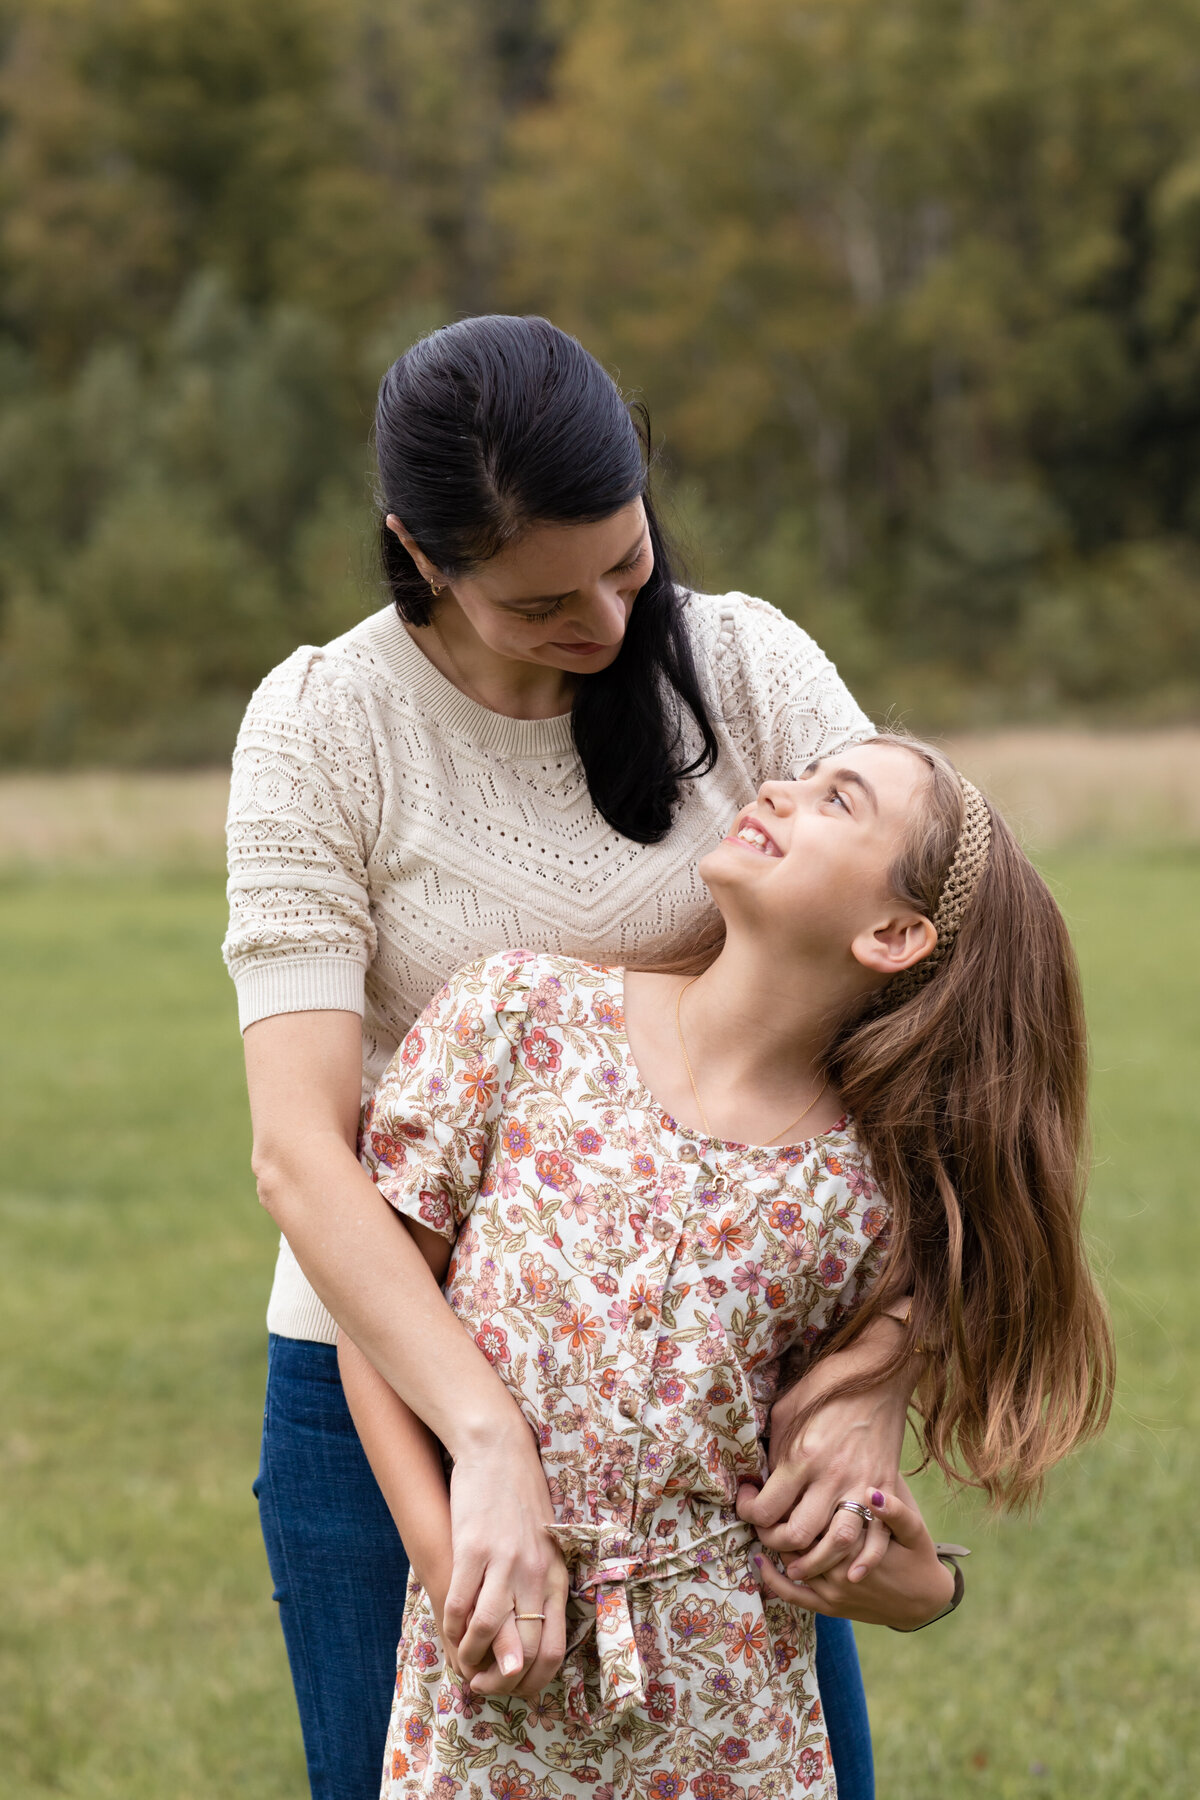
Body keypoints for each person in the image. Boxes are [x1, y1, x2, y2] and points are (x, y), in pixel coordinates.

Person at [230, 317, 915, 1800]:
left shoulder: (745, 666)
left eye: (626, 561)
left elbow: (943, 1011)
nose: (606, 620)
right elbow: (300, 1149)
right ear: (418, 550)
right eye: (542, 600)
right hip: (392, 1385)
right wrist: (481, 1436)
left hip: (711, 1387)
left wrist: (876, 1369)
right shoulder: (319, 727)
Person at [338, 738, 1114, 1798]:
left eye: (838, 799)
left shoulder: (867, 1192)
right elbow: (373, 1319)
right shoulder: (518, 1018)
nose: (780, 789)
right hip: (483, 1711)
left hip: (730, 1725)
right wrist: (453, 1571)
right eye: (804, 773)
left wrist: (909, 1576)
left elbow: (842, 1480)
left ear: (893, 935)